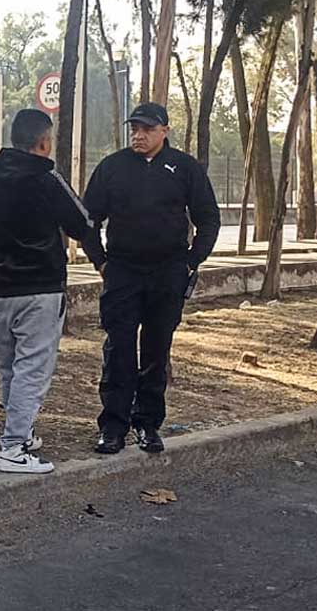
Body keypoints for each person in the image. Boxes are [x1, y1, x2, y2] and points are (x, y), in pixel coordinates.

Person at [81, 103, 221, 455]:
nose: (139, 135)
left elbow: (208, 219)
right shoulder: (113, 167)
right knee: (118, 349)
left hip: (167, 272)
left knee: (156, 350)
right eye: (135, 129)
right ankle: (113, 426)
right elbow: (88, 220)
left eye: (147, 129)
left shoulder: (185, 168)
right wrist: (100, 262)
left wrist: (191, 262)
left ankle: (147, 423)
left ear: (164, 131)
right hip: (122, 272)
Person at [0, 109, 93, 474]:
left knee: (10, 367)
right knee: (33, 368)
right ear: (44, 142)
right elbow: (82, 222)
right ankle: (13, 448)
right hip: (40, 287)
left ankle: (21, 432)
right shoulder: (46, 177)